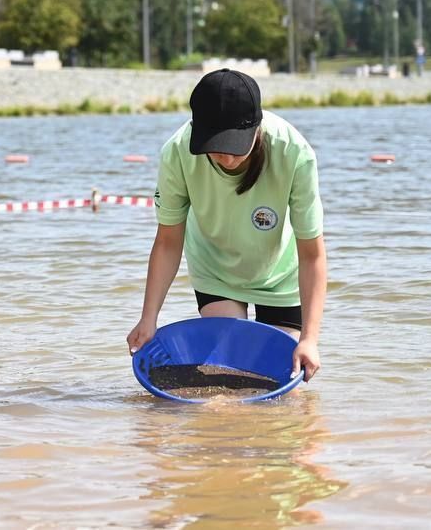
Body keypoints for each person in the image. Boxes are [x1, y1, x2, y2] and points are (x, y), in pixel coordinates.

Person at [127, 68, 328, 382]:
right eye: (214, 144)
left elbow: (312, 255)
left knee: (278, 379)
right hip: (215, 268)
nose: (225, 157)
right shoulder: (178, 153)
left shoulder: (294, 153)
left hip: (280, 275)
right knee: (228, 372)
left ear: (256, 127)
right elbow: (167, 242)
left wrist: (310, 340)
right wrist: (148, 318)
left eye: (234, 145)